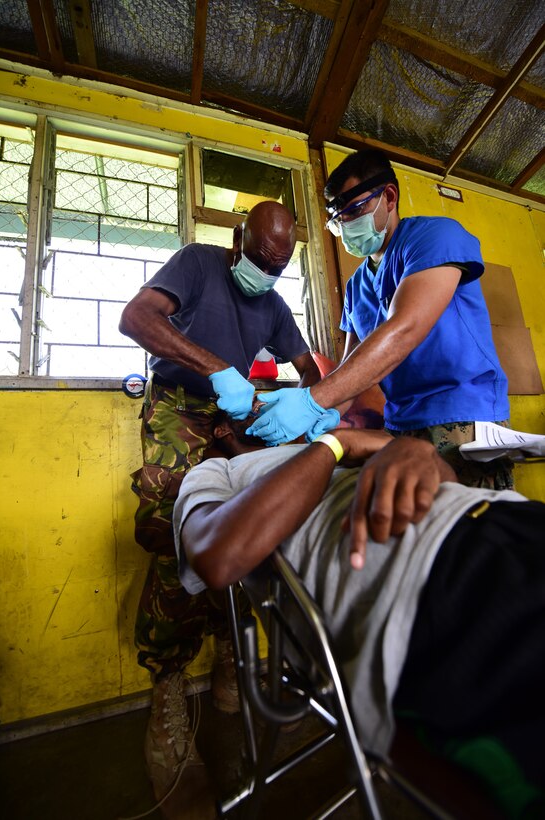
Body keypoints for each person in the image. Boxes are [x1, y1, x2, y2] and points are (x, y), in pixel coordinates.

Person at [175, 421, 545, 820]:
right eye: (250, 421)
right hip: (429, 588)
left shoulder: (348, 449)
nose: (272, 426)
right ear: (223, 437)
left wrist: (415, 452)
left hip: (512, 520)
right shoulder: (217, 472)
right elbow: (219, 556)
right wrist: (333, 443)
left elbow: (443, 481)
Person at [118, 200, 323, 811]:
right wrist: (220, 370)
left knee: (263, 516)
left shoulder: (276, 302)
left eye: (280, 267)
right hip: (183, 406)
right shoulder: (198, 265)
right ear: (239, 240)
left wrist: (319, 400)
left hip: (241, 415)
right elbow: (136, 318)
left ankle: (235, 655)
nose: (268, 273)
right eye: (261, 259)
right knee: (172, 523)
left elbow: (310, 364)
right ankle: (169, 688)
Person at [246, 148, 512, 490]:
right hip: (400, 425)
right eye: (337, 219)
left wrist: (313, 400)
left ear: (389, 196)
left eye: (354, 210)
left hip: (461, 416)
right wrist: (318, 416)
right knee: (415, 532)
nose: (345, 226)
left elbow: (404, 330)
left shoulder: (434, 238)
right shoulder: (357, 286)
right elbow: (351, 371)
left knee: (474, 528)